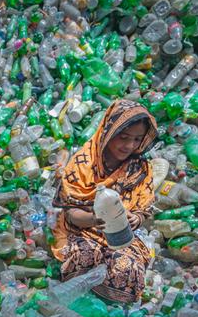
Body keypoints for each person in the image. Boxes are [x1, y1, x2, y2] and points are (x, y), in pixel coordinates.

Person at [50, 99, 159, 303]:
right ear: (108, 131)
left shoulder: (140, 168)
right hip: (81, 229)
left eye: (136, 139)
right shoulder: (83, 163)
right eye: (123, 137)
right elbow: (71, 213)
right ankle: (83, 301)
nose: (129, 146)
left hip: (121, 235)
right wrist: (93, 220)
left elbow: (145, 209)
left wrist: (136, 218)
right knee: (84, 257)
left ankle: (113, 306)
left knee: (126, 267)